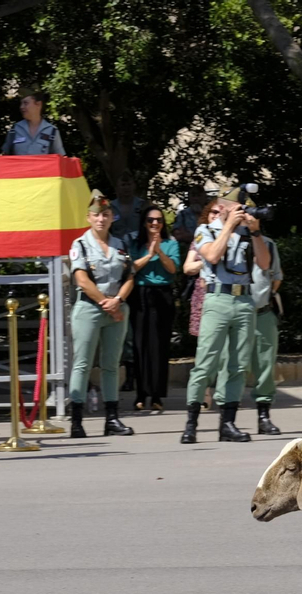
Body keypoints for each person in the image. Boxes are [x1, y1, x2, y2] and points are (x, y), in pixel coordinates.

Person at [180, 185, 266, 443]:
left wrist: (256, 232)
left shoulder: (247, 233)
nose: (242, 210)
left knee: (238, 365)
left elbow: (264, 263)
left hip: (244, 299)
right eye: (237, 206)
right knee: (205, 363)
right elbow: (213, 256)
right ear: (224, 207)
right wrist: (228, 226)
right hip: (217, 297)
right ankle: (191, 423)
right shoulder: (205, 230)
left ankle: (228, 423)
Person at [67, 189, 135, 439]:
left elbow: (129, 277)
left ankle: (112, 418)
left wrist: (117, 301)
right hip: (89, 308)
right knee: (82, 363)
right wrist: (107, 302)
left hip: (116, 308)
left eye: (106, 214)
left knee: (111, 365)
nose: (101, 219)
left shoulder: (120, 245)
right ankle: (76, 420)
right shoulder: (80, 245)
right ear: (88, 217)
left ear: (111, 217)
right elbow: (82, 280)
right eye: (96, 215)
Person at [129, 205, 178, 412]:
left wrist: (159, 251)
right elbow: (131, 267)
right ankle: (141, 393)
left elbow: (173, 269)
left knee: (159, 345)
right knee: (140, 345)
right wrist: (149, 255)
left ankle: (157, 395)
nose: (155, 224)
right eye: (150, 220)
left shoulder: (170, 243)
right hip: (140, 294)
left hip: (162, 294)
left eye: (158, 220)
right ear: (144, 223)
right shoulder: (136, 244)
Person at [245, 222, 284, 435]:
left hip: (263, 313)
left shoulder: (267, 244)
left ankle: (263, 415)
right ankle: (227, 417)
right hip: (238, 314)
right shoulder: (229, 243)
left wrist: (265, 296)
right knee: (229, 365)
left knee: (265, 366)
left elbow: (276, 276)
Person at [109, 171, 143, 241]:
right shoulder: (111, 207)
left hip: (139, 245)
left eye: (129, 184)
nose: (126, 187)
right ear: (117, 187)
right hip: (117, 246)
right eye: (123, 185)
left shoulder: (142, 205)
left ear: (134, 186)